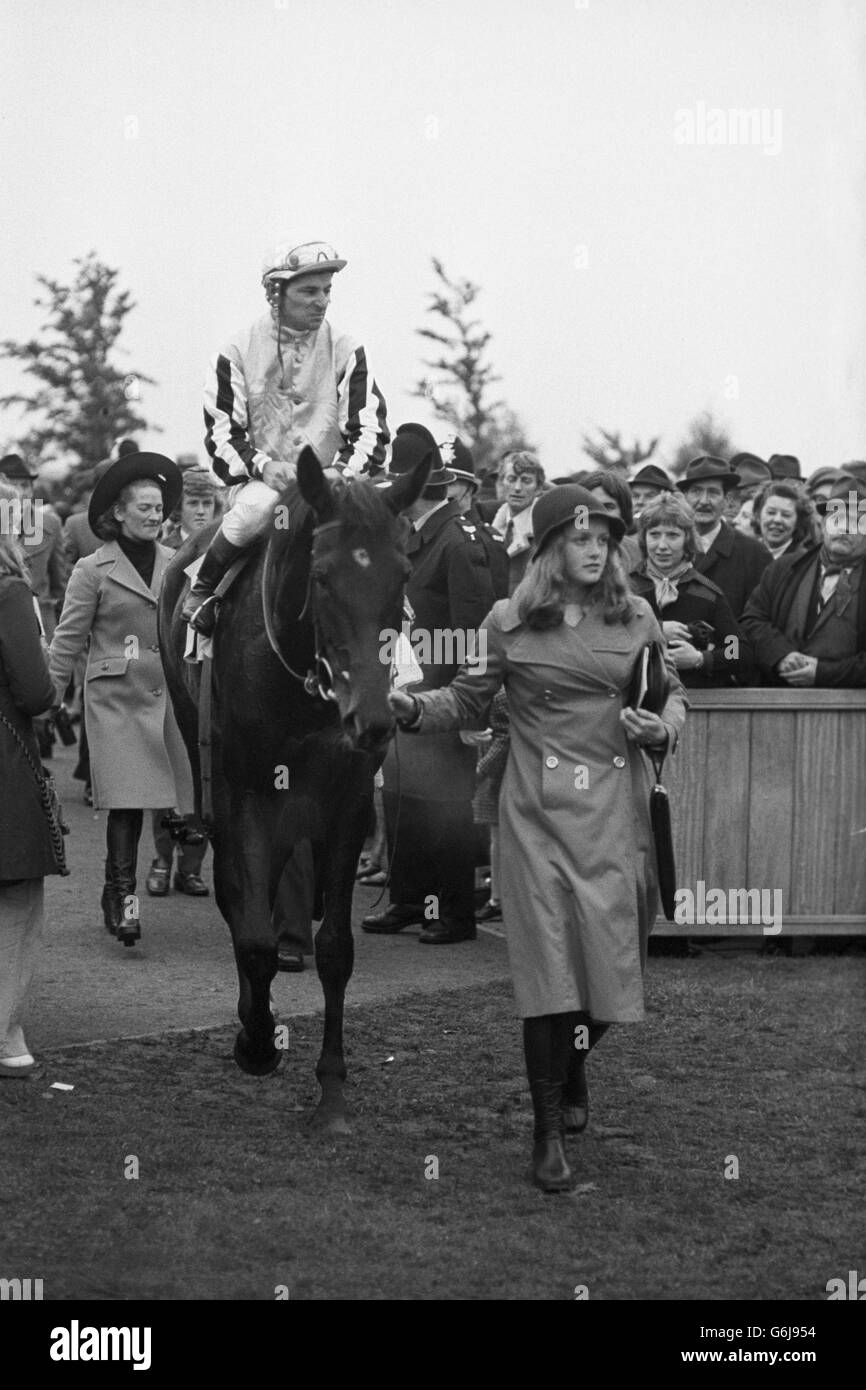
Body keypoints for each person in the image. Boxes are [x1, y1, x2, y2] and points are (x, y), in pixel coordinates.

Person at [389, 484, 687, 1191]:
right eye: (580, 539)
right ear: (550, 548)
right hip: (536, 811)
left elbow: (671, 691)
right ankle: (546, 1130)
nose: (594, 551)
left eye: (604, 541)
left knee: (614, 964)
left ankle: (575, 1061)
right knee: (550, 971)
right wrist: (408, 707)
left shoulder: (637, 614)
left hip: (615, 807)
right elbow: (467, 699)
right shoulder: (509, 619)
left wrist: (663, 726)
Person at [182, 238, 390, 634]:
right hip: (265, 487)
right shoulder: (234, 352)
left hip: (334, 487)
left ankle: (398, 646)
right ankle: (203, 589)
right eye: (309, 291)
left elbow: (371, 430)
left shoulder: (348, 350)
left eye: (327, 290)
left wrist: (341, 472)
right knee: (256, 515)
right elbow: (222, 435)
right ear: (276, 292)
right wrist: (264, 466)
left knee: (381, 531)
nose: (322, 301)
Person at [361, 425, 501, 946]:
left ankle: (451, 911)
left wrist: (473, 711)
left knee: (444, 807)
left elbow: (476, 632)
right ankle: (408, 898)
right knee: (405, 797)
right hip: (409, 690)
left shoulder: (459, 542)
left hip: (445, 694)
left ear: (417, 490)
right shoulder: (416, 534)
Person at [49, 452, 194, 946]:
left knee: (175, 805)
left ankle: (129, 891)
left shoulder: (178, 565)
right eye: (146, 508)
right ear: (118, 513)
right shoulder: (92, 570)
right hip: (115, 702)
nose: (156, 516)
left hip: (167, 699)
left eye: (160, 509)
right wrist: (46, 702)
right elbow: (68, 641)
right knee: (127, 807)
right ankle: (123, 900)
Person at [0, 525, 64, 1079]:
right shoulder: (8, 591)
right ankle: (4, 1036)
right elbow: (36, 692)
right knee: (15, 898)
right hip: (3, 758)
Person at [146, 465, 223, 899]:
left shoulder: (226, 552)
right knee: (164, 774)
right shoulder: (163, 554)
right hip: (164, 674)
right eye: (192, 503)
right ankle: (160, 859)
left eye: (207, 502)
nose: (200, 510)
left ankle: (192, 866)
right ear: (179, 510)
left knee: (203, 774)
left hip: (208, 681)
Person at [740, 474, 866, 687]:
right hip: (782, 702)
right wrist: (781, 656)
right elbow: (751, 620)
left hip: (852, 710)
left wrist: (822, 673)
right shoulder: (783, 568)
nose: (844, 528)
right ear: (824, 524)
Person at [629, 492, 751, 687]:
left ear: (687, 539)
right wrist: (655, 630)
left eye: (672, 535)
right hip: (632, 703)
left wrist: (700, 659)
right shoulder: (625, 588)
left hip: (692, 703)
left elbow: (738, 651)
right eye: (654, 534)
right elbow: (602, 640)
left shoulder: (707, 593)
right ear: (643, 538)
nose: (662, 545)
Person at [676, 456, 770, 617]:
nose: (704, 501)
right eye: (697, 491)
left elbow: (755, 620)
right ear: (685, 498)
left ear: (726, 500)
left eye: (713, 492)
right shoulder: (665, 547)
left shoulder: (754, 555)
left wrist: (728, 642)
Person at [490, 451, 546, 594]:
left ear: (538, 488)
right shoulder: (492, 528)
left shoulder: (544, 530)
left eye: (526, 481)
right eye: (512, 479)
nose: (517, 487)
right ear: (502, 483)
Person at [750, 480, 819, 559]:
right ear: (758, 515)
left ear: (798, 522)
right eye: (771, 512)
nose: (777, 520)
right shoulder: (744, 552)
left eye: (786, 515)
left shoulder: (804, 561)